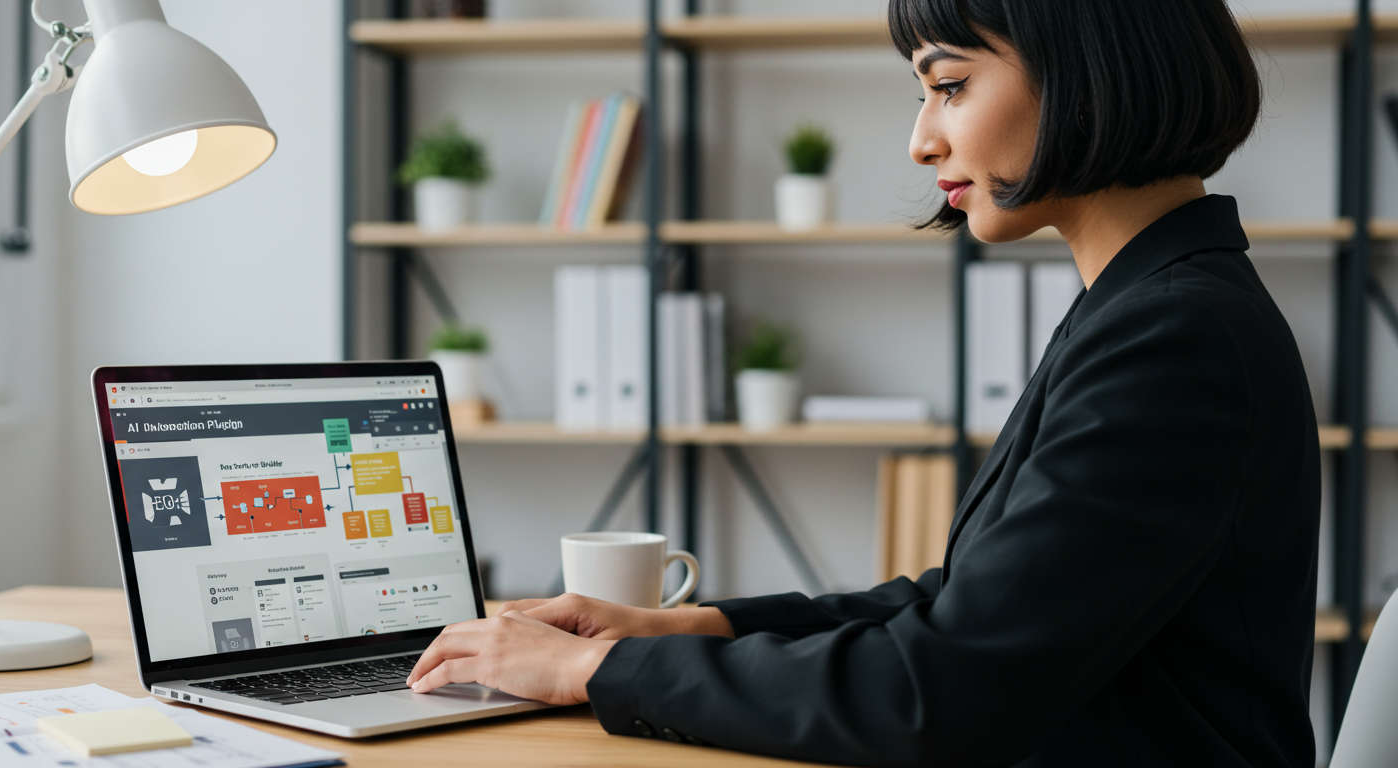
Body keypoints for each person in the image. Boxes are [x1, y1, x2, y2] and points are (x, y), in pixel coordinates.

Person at [406, 1, 1322, 764]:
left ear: (1090, 72)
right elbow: (959, 605)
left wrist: (589, 675)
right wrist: (679, 630)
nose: (922, 140)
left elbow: (942, 686)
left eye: (950, 86)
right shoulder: (1146, 306)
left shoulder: (1172, 335)